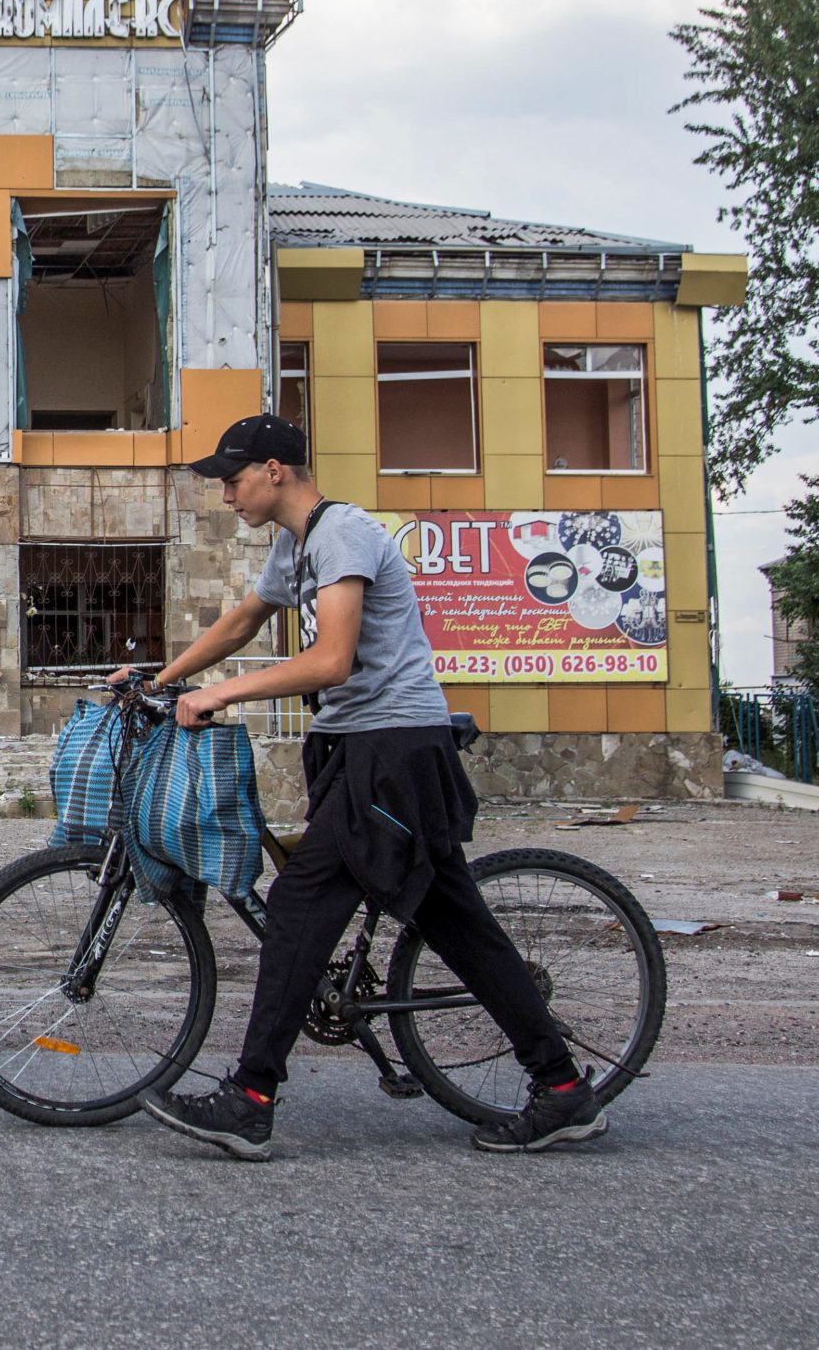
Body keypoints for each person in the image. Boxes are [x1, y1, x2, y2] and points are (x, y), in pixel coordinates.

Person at [124, 414, 608, 1160]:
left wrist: (221, 695)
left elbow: (332, 660)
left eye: (234, 475)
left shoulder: (342, 533)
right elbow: (247, 619)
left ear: (277, 469)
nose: (226, 492)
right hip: (363, 750)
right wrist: (162, 678)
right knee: (455, 924)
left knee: (297, 907)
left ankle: (250, 1097)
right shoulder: (297, 544)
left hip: (391, 752)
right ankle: (565, 1087)